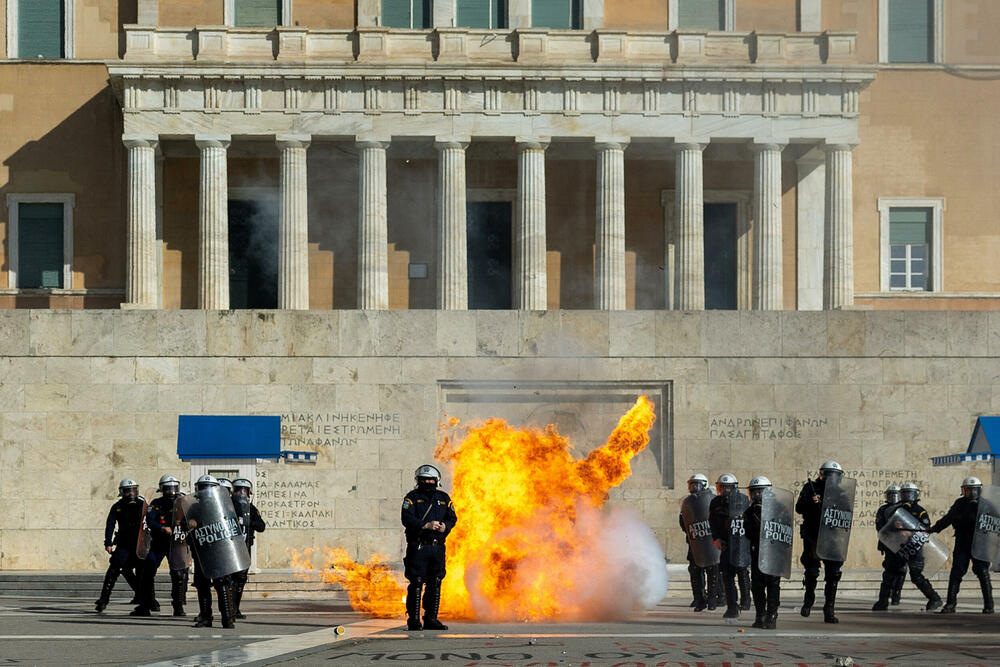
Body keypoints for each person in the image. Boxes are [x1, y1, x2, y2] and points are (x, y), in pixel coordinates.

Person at [401, 464, 457, 631]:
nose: (427, 482)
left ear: (437, 481)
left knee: (435, 581)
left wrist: (444, 526)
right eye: (424, 479)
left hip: (437, 547)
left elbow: (452, 518)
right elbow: (406, 518)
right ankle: (414, 620)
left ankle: (431, 618)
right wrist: (425, 525)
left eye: (431, 479)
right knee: (416, 581)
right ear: (418, 481)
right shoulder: (411, 497)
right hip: (418, 547)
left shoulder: (444, 498)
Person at [929, 477, 994, 614]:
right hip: (963, 541)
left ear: (979, 490)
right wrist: (935, 528)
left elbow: (995, 523)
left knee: (983, 573)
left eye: (974, 490)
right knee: (956, 572)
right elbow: (949, 518)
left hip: (980, 543)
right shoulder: (960, 503)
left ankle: (989, 605)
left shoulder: (986, 505)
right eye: (968, 490)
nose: (971, 493)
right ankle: (951, 604)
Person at [874, 483, 942, 611]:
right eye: (904, 494)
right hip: (897, 547)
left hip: (914, 546)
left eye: (909, 494)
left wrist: (907, 532)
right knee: (889, 574)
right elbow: (885, 528)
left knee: (916, 575)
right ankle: (882, 602)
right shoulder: (894, 510)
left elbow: (925, 529)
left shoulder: (920, 511)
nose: (907, 497)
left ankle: (934, 598)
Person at [795, 461, 846, 623]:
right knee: (812, 571)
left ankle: (829, 609)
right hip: (813, 536)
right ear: (822, 474)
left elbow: (846, 514)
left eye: (834, 475)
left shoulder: (840, 493)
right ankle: (808, 600)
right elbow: (799, 507)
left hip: (833, 537)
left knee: (833, 574)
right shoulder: (810, 488)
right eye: (828, 474)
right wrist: (812, 501)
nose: (831, 478)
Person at [131, 475, 188, 617]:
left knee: (178, 574)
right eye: (168, 488)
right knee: (147, 571)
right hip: (159, 542)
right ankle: (146, 604)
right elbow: (149, 520)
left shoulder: (182, 502)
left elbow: (191, 518)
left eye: (173, 488)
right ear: (162, 489)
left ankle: (178, 606)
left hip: (176, 542)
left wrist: (188, 525)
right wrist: (162, 528)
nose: (171, 491)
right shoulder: (157, 503)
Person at [188, 475, 238, 628]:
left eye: (207, 487)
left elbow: (233, 526)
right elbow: (185, 524)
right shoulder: (194, 508)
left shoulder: (224, 505)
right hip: (202, 552)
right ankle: (205, 617)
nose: (204, 491)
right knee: (202, 585)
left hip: (220, 552)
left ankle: (227, 618)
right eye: (202, 487)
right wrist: (189, 523)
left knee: (222, 584)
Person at [95, 479, 145, 613]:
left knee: (143, 573)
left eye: (133, 490)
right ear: (122, 492)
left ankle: (146, 599)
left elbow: (151, 522)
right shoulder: (117, 506)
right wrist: (108, 542)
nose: (130, 494)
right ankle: (103, 600)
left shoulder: (142, 505)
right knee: (114, 569)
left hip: (139, 544)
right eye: (127, 491)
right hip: (123, 543)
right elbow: (110, 525)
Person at [709, 473, 749, 619]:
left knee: (742, 570)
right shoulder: (715, 503)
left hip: (740, 542)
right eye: (722, 487)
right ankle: (732, 607)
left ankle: (746, 600)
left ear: (734, 487)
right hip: (725, 543)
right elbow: (712, 522)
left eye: (728, 487)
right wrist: (716, 538)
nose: (725, 490)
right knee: (727, 575)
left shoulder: (743, 500)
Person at [745, 476, 780, 629]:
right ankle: (760, 614)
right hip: (758, 552)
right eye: (755, 492)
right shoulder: (749, 512)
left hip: (774, 552)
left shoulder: (779, 508)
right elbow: (748, 532)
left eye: (761, 491)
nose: (757, 495)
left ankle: (772, 615)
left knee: (773, 584)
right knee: (757, 586)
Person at [679, 473, 717, 612]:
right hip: (695, 542)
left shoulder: (712, 500)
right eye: (692, 484)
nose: (694, 487)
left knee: (712, 571)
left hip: (710, 543)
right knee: (695, 571)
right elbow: (683, 521)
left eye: (697, 484)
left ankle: (712, 599)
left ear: (704, 485)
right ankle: (699, 599)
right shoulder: (687, 502)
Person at [230, 478, 266, 619]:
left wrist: (250, 522)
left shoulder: (251, 509)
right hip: (230, 546)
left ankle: (235, 609)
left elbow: (261, 526)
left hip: (245, 546)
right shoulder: (228, 505)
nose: (241, 494)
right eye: (238, 490)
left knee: (241, 578)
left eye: (244, 491)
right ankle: (229, 609)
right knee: (230, 579)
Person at [872, 484, 902, 611]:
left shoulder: (903, 508)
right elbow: (879, 526)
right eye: (890, 495)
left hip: (902, 543)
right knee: (889, 571)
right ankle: (884, 599)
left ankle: (896, 593)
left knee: (902, 570)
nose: (893, 497)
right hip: (889, 542)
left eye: (895, 494)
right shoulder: (883, 509)